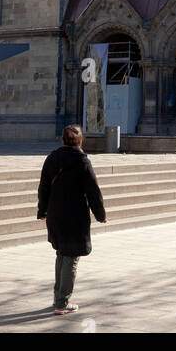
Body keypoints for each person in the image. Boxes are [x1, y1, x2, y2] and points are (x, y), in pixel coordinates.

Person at [37, 124, 107, 314]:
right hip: (74, 216)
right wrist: (100, 214)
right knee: (71, 257)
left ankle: (57, 297)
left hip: (55, 213)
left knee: (61, 253)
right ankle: (62, 302)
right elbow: (93, 190)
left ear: (62, 139)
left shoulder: (52, 158)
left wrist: (42, 210)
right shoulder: (82, 161)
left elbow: (43, 187)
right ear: (81, 141)